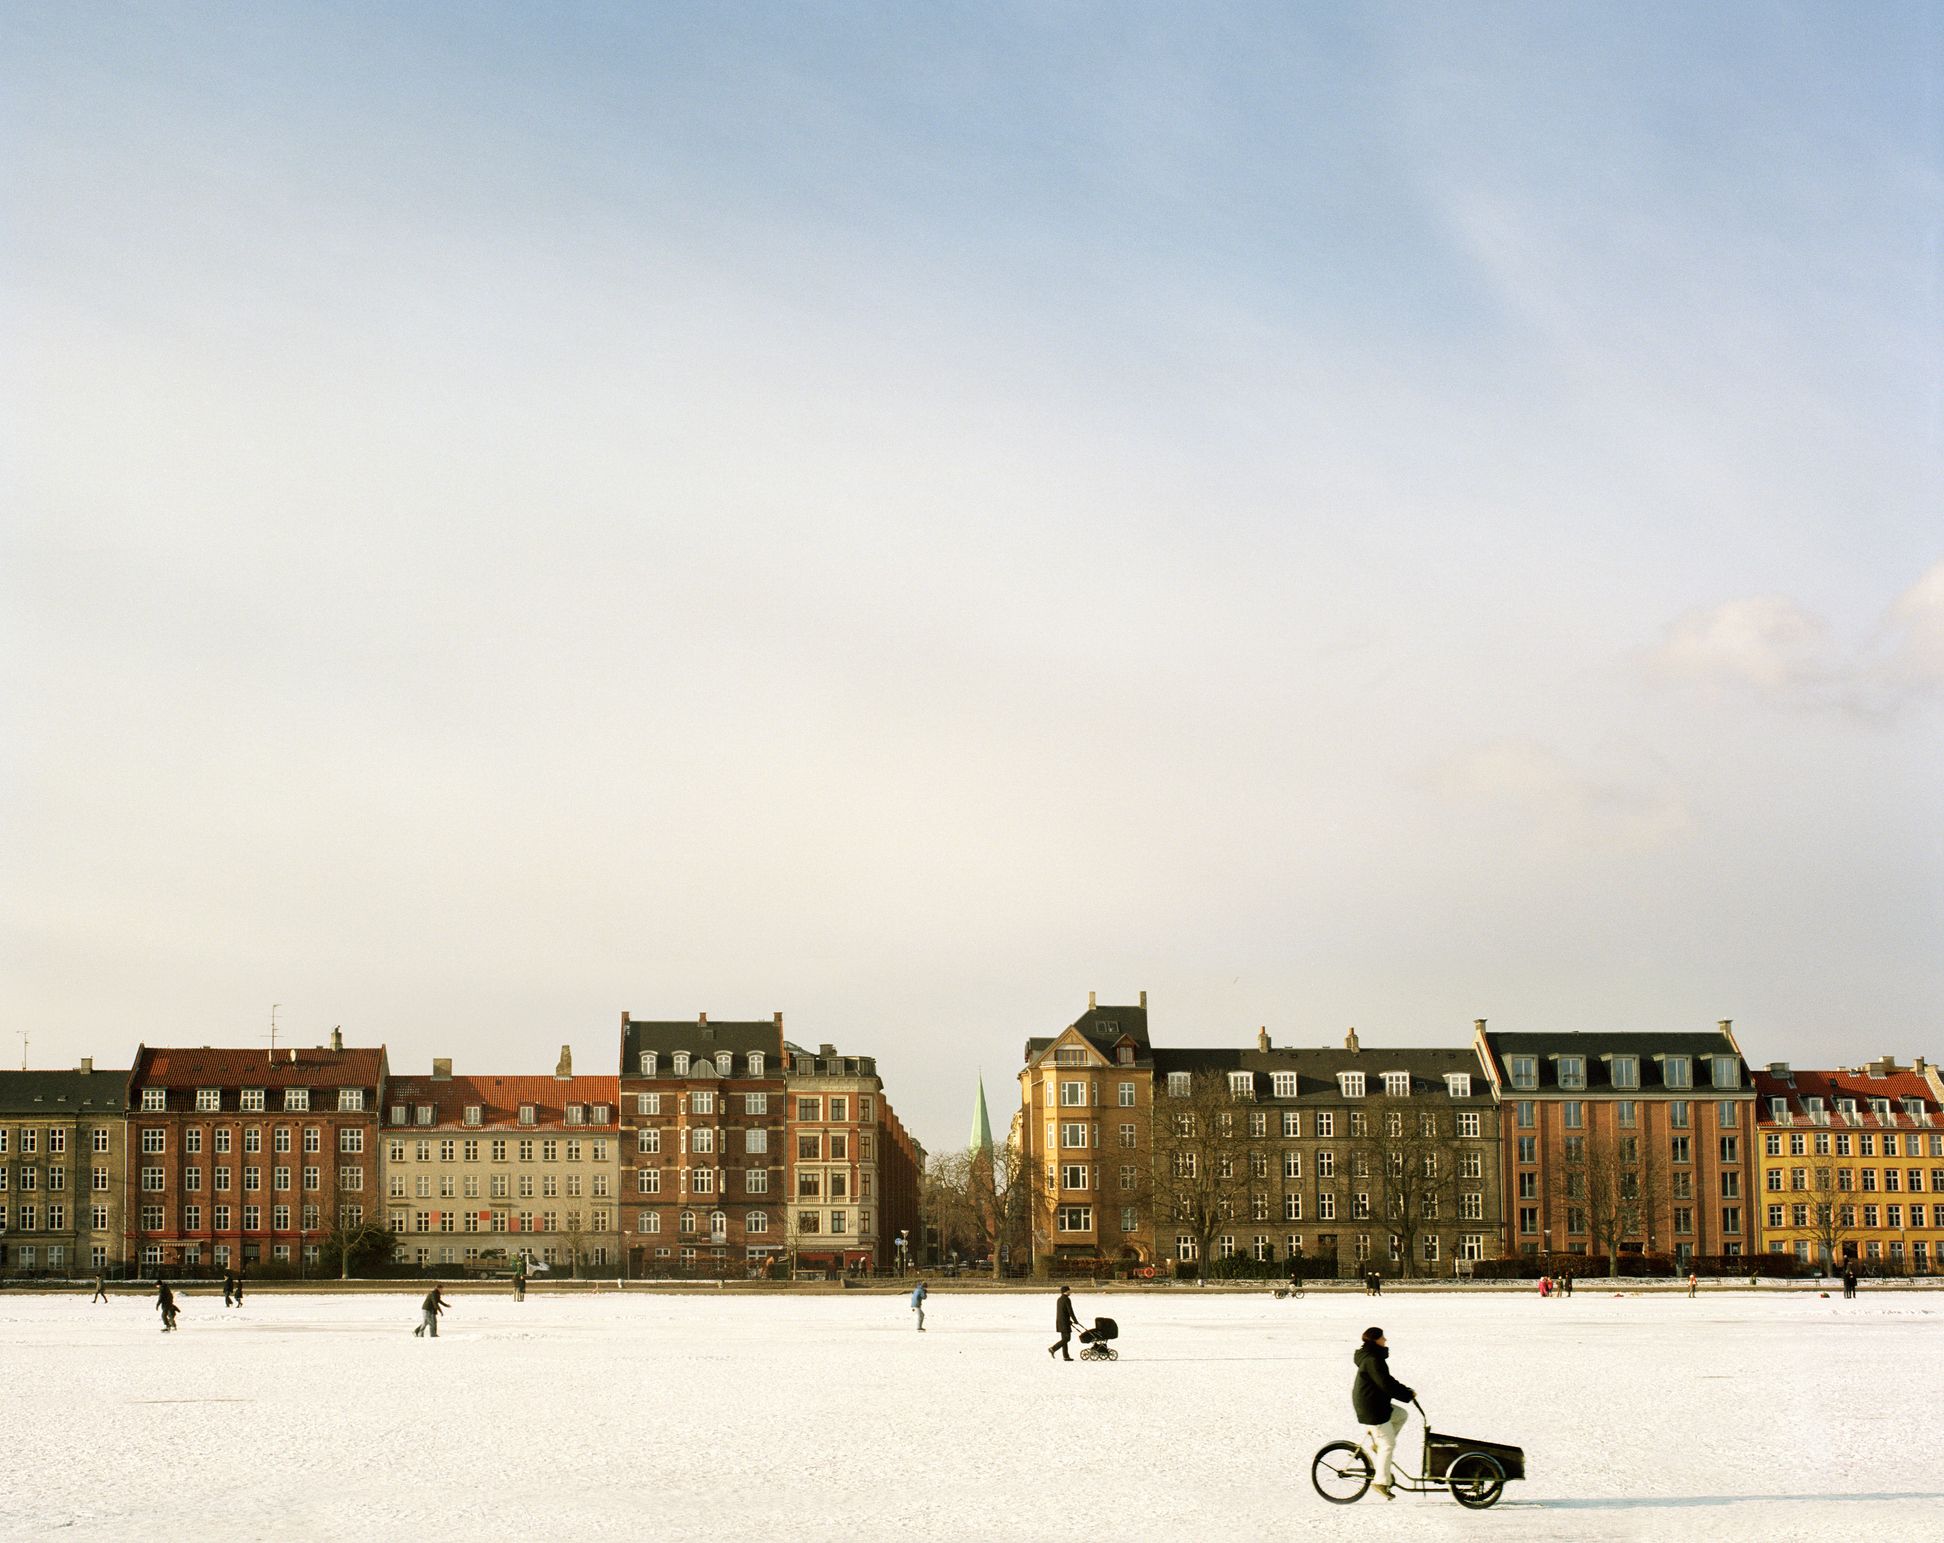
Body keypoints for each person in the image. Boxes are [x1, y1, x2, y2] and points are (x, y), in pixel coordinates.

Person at [1352, 1327, 1414, 1501]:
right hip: (1372, 1408)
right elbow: (1385, 1384)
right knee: (1388, 1445)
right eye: (1382, 1338)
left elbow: (1387, 1380)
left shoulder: (1372, 1357)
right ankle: (1380, 1482)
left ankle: (1378, 1444)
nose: (1385, 1340)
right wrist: (1406, 1395)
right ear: (1375, 1340)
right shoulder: (1372, 1359)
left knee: (1401, 1415)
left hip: (1375, 1403)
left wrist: (1406, 1391)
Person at [1048, 1285, 1077, 1361]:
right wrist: (1075, 1320)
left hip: (1060, 1321)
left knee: (1064, 1339)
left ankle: (1066, 1356)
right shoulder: (1067, 1299)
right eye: (1069, 1290)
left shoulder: (1059, 1299)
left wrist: (1069, 1320)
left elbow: (1062, 1312)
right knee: (1067, 1338)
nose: (1070, 1292)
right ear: (1066, 1291)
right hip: (1064, 1322)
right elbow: (1070, 1311)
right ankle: (1053, 1348)